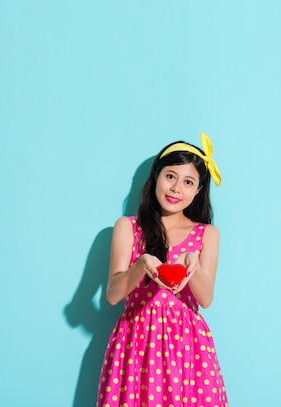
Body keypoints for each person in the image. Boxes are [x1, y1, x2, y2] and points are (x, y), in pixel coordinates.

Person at [97, 133, 228, 407]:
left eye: (188, 182)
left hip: (188, 347)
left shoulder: (207, 234)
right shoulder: (127, 228)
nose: (176, 188)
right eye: (170, 176)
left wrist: (193, 265)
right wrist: (141, 264)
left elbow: (205, 299)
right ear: (155, 176)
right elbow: (112, 295)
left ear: (198, 190)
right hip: (137, 343)